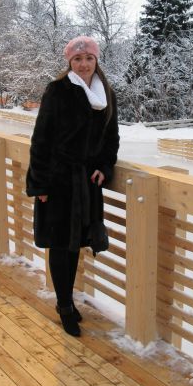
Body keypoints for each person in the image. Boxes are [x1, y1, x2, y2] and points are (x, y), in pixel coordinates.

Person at [26, 36, 120, 337]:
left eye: (89, 58)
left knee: (76, 242)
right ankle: (64, 304)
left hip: (87, 183)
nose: (83, 64)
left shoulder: (106, 94)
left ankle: (66, 300)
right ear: (70, 62)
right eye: (77, 59)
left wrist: (105, 167)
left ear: (96, 60)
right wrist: (40, 183)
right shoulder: (57, 90)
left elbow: (111, 138)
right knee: (60, 244)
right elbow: (41, 139)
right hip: (57, 181)